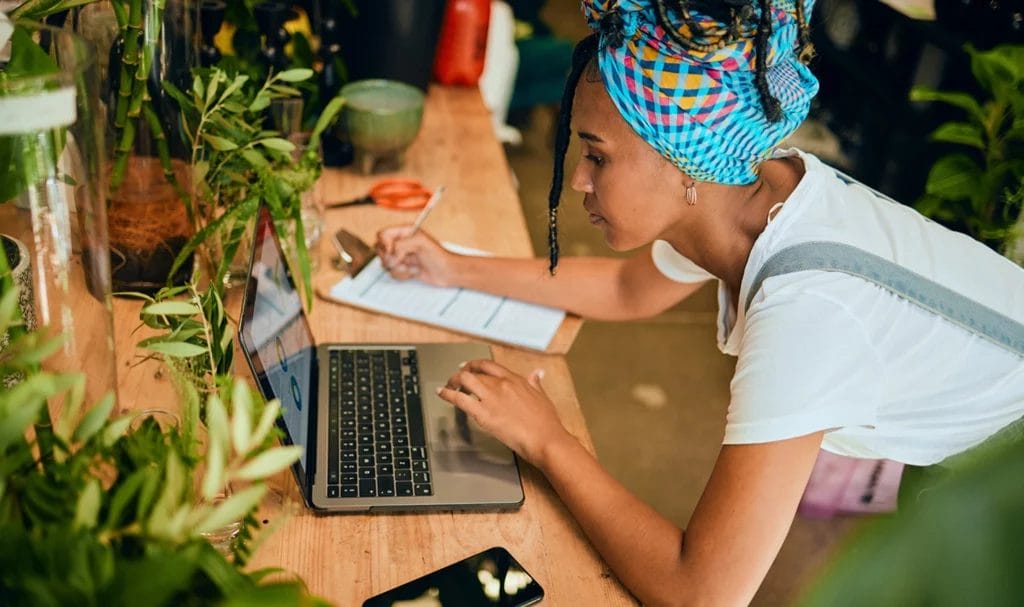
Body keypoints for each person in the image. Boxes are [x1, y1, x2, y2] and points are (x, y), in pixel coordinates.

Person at [375, 1, 1024, 604]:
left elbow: (703, 590)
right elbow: (626, 289)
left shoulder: (808, 310)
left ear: (684, 163)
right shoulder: (753, 191)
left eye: (598, 157)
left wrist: (549, 439)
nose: (577, 180)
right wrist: (453, 266)